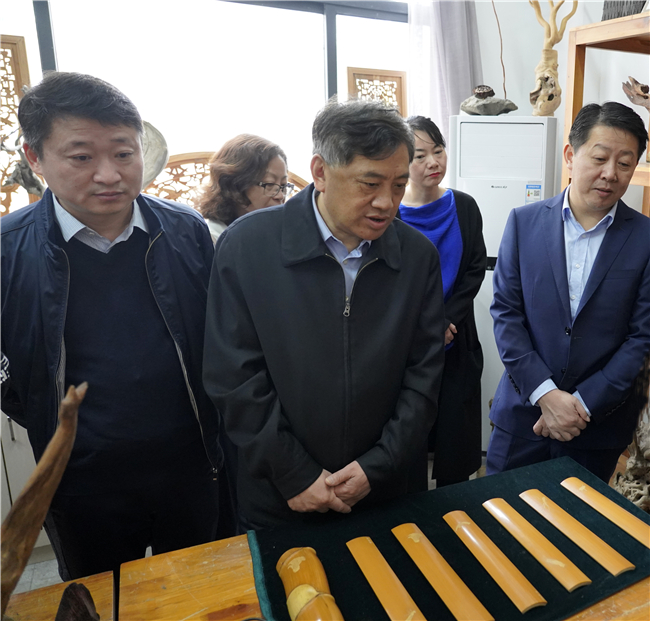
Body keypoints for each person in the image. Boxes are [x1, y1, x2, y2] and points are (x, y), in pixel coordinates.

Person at [1, 72, 223, 580]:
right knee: (100, 599)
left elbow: (219, 339)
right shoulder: (8, 249)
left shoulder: (185, 230)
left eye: (124, 153)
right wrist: (41, 408)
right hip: (80, 485)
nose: (109, 175)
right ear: (35, 158)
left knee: (199, 594)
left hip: (191, 468)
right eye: (81, 157)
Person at [203, 98, 446, 529]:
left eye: (397, 185)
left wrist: (378, 466)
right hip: (280, 493)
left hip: (386, 488)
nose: (386, 202)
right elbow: (233, 376)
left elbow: (424, 375)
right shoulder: (247, 246)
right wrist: (293, 473)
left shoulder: (416, 256)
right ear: (320, 172)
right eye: (369, 183)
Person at [487, 101, 650, 483]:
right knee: (497, 514)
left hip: (595, 426)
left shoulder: (645, 238)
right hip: (523, 416)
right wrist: (545, 394)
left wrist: (580, 405)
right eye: (599, 158)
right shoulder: (524, 223)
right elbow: (507, 315)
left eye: (625, 163)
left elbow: (641, 337)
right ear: (570, 156)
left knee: (578, 521)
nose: (610, 174)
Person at [400, 116, 487, 489]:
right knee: (407, 437)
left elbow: (475, 267)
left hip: (457, 337)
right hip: (406, 342)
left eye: (438, 150)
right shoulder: (390, 213)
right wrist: (427, 324)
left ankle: (456, 512)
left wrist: (447, 320)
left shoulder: (464, 206)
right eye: (420, 156)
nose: (433, 162)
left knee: (456, 437)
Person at [197, 134, 291, 242]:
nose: (280, 196)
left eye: (283, 186)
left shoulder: (281, 236)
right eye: (269, 184)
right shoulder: (211, 240)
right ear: (236, 186)